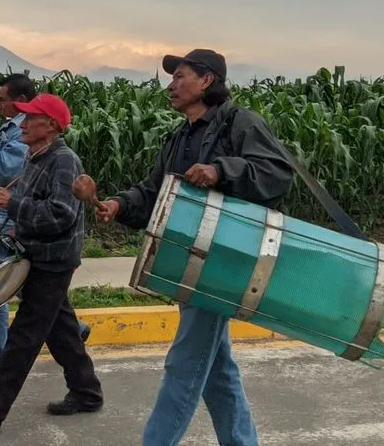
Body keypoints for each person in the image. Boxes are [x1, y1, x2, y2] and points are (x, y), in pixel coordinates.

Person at [94, 48, 294, 446]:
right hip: (191, 259)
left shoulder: (240, 122)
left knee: (185, 364)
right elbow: (155, 191)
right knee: (216, 370)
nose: (171, 85)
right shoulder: (179, 136)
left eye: (180, 76)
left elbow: (277, 173)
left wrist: (221, 170)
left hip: (225, 258)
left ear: (206, 80)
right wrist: (119, 204)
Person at [0, 93, 104, 436]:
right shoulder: (36, 156)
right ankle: (87, 392)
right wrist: (14, 205)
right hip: (36, 252)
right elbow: (38, 204)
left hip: (53, 259)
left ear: (50, 126)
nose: (23, 124)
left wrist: (14, 204)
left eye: (31, 118)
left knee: (24, 336)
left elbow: (60, 215)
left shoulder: (63, 161)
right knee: (60, 329)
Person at [0, 73, 91, 384]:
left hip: (25, 231)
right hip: (17, 226)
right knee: (44, 306)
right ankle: (82, 373)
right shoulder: (29, 142)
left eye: (5, 101)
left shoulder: (50, 152)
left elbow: (54, 208)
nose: (0, 106)